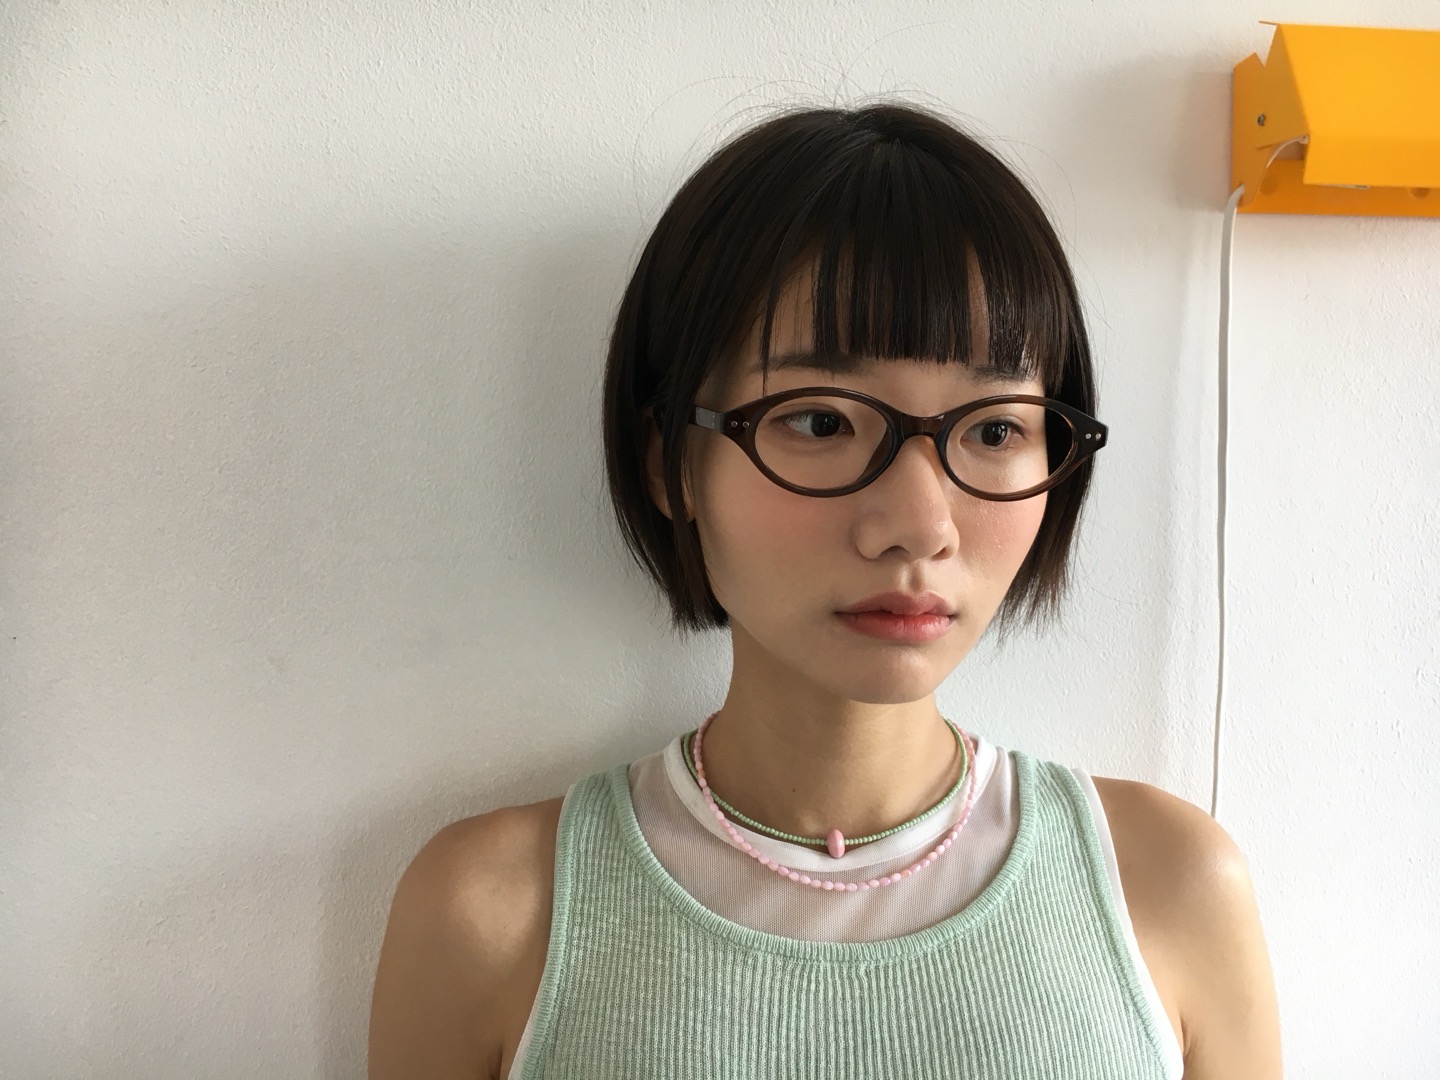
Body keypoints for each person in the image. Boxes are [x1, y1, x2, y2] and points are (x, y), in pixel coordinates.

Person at [368, 102, 1283, 1079]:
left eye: (993, 430)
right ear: (671, 463)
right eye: (819, 422)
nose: (920, 524)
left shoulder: (1169, 888)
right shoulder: (494, 914)